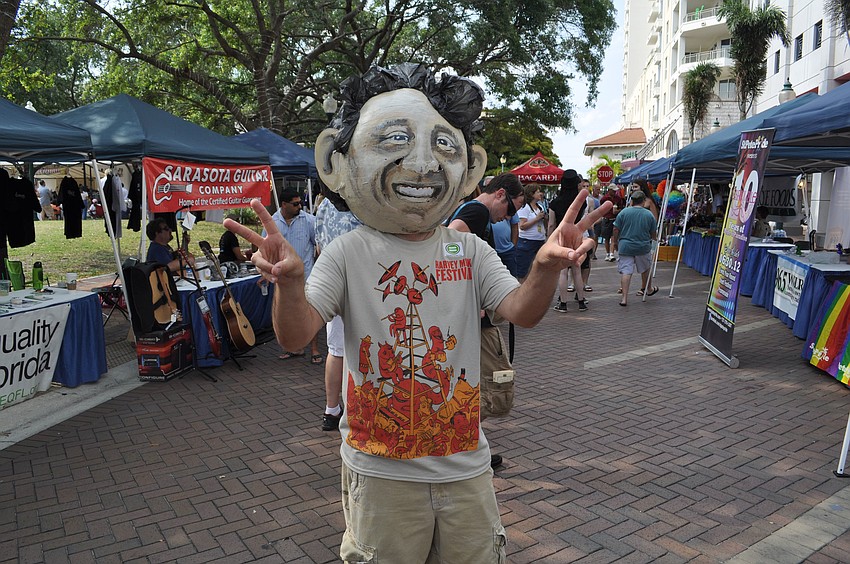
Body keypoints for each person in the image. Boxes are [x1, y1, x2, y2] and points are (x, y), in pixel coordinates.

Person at [224, 62, 610, 563]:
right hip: (379, 472)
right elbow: (296, 337)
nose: (424, 165)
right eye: (393, 140)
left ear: (470, 170)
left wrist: (544, 269)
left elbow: (521, 311)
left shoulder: (468, 251)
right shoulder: (347, 253)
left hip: (465, 468)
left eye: (444, 146)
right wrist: (291, 285)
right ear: (335, 163)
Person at [445, 172, 525, 469]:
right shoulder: (477, 211)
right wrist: (468, 296)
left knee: (473, 386)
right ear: (501, 194)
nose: (508, 217)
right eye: (512, 209)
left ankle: (466, 446)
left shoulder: (472, 209)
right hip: (475, 320)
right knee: (496, 387)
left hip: (471, 316)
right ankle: (454, 442)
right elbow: (451, 243)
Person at [314, 190, 363, 431]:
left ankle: (331, 410)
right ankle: (356, 412)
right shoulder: (365, 201)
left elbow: (319, 244)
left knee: (336, 350)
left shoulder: (324, 205)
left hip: (334, 282)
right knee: (364, 349)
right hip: (363, 284)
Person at [267, 188, 322, 364]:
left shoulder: (308, 220)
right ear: (283, 205)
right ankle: (294, 348)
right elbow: (267, 249)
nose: (300, 206)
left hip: (306, 276)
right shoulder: (272, 223)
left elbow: (318, 245)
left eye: (301, 203)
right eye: (296, 203)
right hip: (283, 279)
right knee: (288, 314)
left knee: (310, 311)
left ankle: (314, 349)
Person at [549, 170, 589, 312]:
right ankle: (581, 300)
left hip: (560, 238)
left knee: (563, 271)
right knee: (576, 270)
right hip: (576, 236)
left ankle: (563, 302)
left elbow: (551, 224)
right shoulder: (581, 202)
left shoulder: (555, 203)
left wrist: (549, 240)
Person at [612, 189, 657, 306]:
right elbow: (653, 232)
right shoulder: (648, 214)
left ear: (632, 201)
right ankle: (648, 289)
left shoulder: (623, 212)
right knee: (646, 269)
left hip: (625, 246)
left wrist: (615, 242)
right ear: (643, 201)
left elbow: (616, 229)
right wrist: (654, 240)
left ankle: (624, 298)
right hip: (642, 246)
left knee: (626, 271)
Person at [515, 183, 548, 280]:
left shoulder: (540, 206)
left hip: (539, 240)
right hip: (527, 241)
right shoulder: (525, 207)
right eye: (538, 192)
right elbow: (522, 226)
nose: (540, 194)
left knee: (537, 268)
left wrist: (545, 219)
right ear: (531, 194)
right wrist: (537, 218)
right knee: (524, 270)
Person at [600, 184, 625, 261]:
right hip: (607, 219)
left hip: (615, 219)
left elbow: (621, 207)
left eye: (615, 191)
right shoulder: (604, 198)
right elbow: (602, 208)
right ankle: (607, 253)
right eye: (613, 190)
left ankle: (612, 253)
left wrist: (618, 210)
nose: (614, 192)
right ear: (609, 190)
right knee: (606, 237)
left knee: (613, 237)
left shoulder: (618, 198)